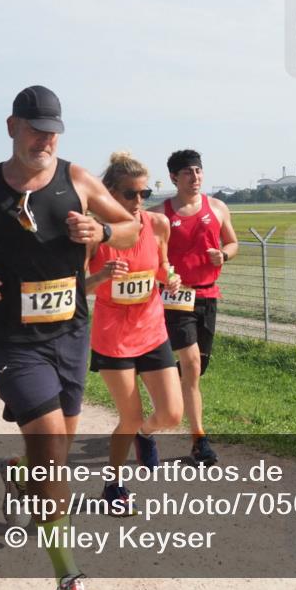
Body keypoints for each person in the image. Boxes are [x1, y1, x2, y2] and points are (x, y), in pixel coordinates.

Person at [0, 86, 139, 590]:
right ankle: (67, 573)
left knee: (57, 452)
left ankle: (19, 478)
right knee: (51, 444)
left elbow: (129, 227)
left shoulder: (76, 178)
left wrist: (98, 232)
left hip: (71, 333)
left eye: (52, 132)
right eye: (35, 130)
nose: (45, 140)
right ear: (12, 127)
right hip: (13, 338)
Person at [85, 151, 183, 511]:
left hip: (152, 329)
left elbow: (161, 267)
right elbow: (76, 288)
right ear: (109, 192)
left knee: (172, 415)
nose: (139, 201)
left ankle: (146, 434)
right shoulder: (94, 233)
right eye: (130, 194)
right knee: (128, 416)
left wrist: (170, 279)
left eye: (145, 193)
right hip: (113, 335)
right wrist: (101, 276)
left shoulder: (157, 225)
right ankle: (114, 485)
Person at [150, 149, 238, 464]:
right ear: (174, 177)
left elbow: (233, 242)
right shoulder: (160, 215)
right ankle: (200, 441)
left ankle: (162, 385)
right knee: (191, 365)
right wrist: (165, 277)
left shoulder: (218, 207)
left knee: (199, 368)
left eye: (198, 170)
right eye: (188, 172)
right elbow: (150, 258)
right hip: (175, 297)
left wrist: (224, 255)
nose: (195, 177)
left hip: (208, 295)